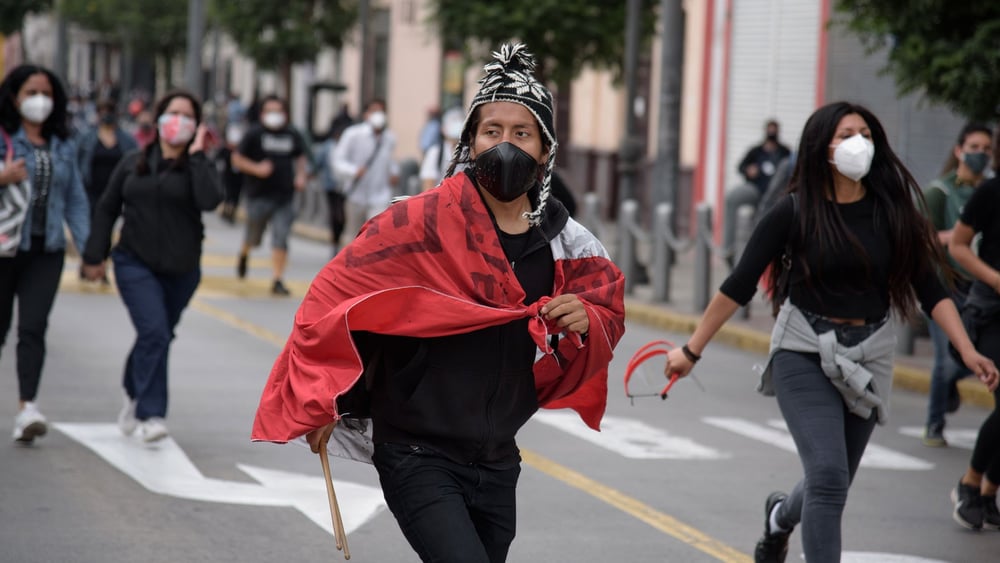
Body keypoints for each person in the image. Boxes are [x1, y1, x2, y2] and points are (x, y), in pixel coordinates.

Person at [251, 43, 626, 563]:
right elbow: (334, 302)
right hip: (415, 448)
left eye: (522, 134)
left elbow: (607, 308)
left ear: (545, 150)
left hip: (498, 458)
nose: (505, 145)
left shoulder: (568, 244)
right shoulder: (413, 224)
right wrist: (324, 397)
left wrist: (586, 316)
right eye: (491, 131)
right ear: (470, 142)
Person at [661, 101, 999, 563]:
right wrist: (691, 350)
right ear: (823, 147)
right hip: (803, 349)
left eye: (865, 133)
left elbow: (932, 291)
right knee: (828, 477)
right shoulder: (793, 211)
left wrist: (967, 351)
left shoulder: (894, 213)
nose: (858, 142)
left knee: (831, 480)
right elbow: (738, 286)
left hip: (870, 354)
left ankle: (780, 517)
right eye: (845, 135)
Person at [81, 91, 222, 443]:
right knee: (155, 333)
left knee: (157, 337)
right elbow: (107, 207)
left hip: (182, 270)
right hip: (134, 262)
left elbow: (210, 200)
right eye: (172, 113)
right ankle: (151, 412)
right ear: (158, 119)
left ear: (197, 125)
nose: (179, 121)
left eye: (187, 116)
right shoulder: (133, 160)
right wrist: (94, 254)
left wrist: (199, 156)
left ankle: (132, 389)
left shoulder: (197, 165)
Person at [0, 64, 90, 444]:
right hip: (4, 249)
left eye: (47, 94)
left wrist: (90, 252)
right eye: (32, 92)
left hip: (47, 251)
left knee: (33, 329)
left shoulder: (64, 145)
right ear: (14, 97)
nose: (40, 101)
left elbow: (75, 201)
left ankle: (28, 409)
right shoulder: (3, 137)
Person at [920, 123, 993, 447]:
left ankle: (951, 386)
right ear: (959, 150)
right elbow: (920, 241)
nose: (981, 154)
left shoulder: (990, 191)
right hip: (945, 288)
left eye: (987, 149)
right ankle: (934, 423)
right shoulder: (939, 192)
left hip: (982, 291)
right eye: (974, 147)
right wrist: (956, 238)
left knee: (979, 355)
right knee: (945, 361)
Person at [947, 133, 1000, 530]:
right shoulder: (991, 193)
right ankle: (970, 483)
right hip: (992, 313)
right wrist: (996, 280)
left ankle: (988, 491)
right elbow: (959, 246)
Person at [231, 95, 308, 296]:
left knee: (281, 237)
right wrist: (256, 168)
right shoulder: (254, 133)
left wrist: (301, 176)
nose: (275, 115)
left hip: (284, 195)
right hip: (258, 194)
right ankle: (245, 253)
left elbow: (300, 157)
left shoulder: (291, 134)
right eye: (270, 111)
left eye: (278, 111)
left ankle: (277, 278)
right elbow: (237, 158)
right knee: (254, 235)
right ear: (263, 114)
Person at [331, 99, 398, 243]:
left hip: (380, 196)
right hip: (356, 194)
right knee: (354, 236)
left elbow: (390, 160)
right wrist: (353, 170)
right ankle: (349, 264)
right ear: (366, 114)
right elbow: (338, 161)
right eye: (374, 111)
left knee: (377, 235)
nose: (377, 115)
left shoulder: (389, 138)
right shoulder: (353, 134)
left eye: (381, 111)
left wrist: (394, 172)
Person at [724, 120, 792, 262]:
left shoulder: (785, 153)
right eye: (770, 130)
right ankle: (731, 251)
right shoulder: (756, 151)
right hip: (757, 192)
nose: (772, 133)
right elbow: (741, 167)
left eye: (774, 130)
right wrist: (749, 171)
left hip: (777, 196)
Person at [419, 106, 463, 192]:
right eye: (452, 122)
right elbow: (428, 185)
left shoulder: (470, 153)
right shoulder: (435, 152)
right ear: (443, 128)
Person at [215, 121, 245, 224]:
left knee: (236, 196)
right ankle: (226, 211)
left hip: (239, 177)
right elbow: (218, 160)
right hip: (227, 176)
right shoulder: (224, 150)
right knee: (228, 194)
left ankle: (232, 213)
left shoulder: (242, 150)